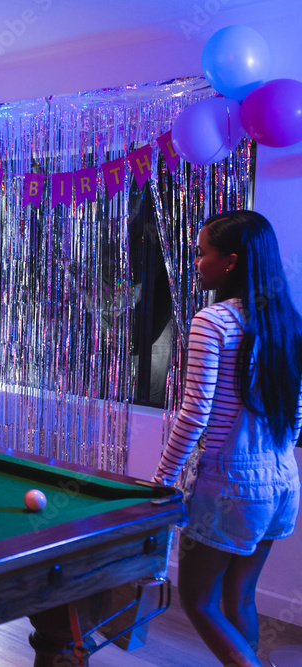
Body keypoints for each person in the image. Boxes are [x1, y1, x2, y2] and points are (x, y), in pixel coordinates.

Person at [152, 210, 302, 667]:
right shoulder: (288, 321)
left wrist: (163, 478)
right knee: (240, 598)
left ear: (231, 262)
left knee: (198, 601)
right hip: (281, 481)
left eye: (202, 253)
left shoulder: (213, 321)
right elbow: (295, 418)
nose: (196, 262)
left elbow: (196, 413)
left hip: (229, 487)